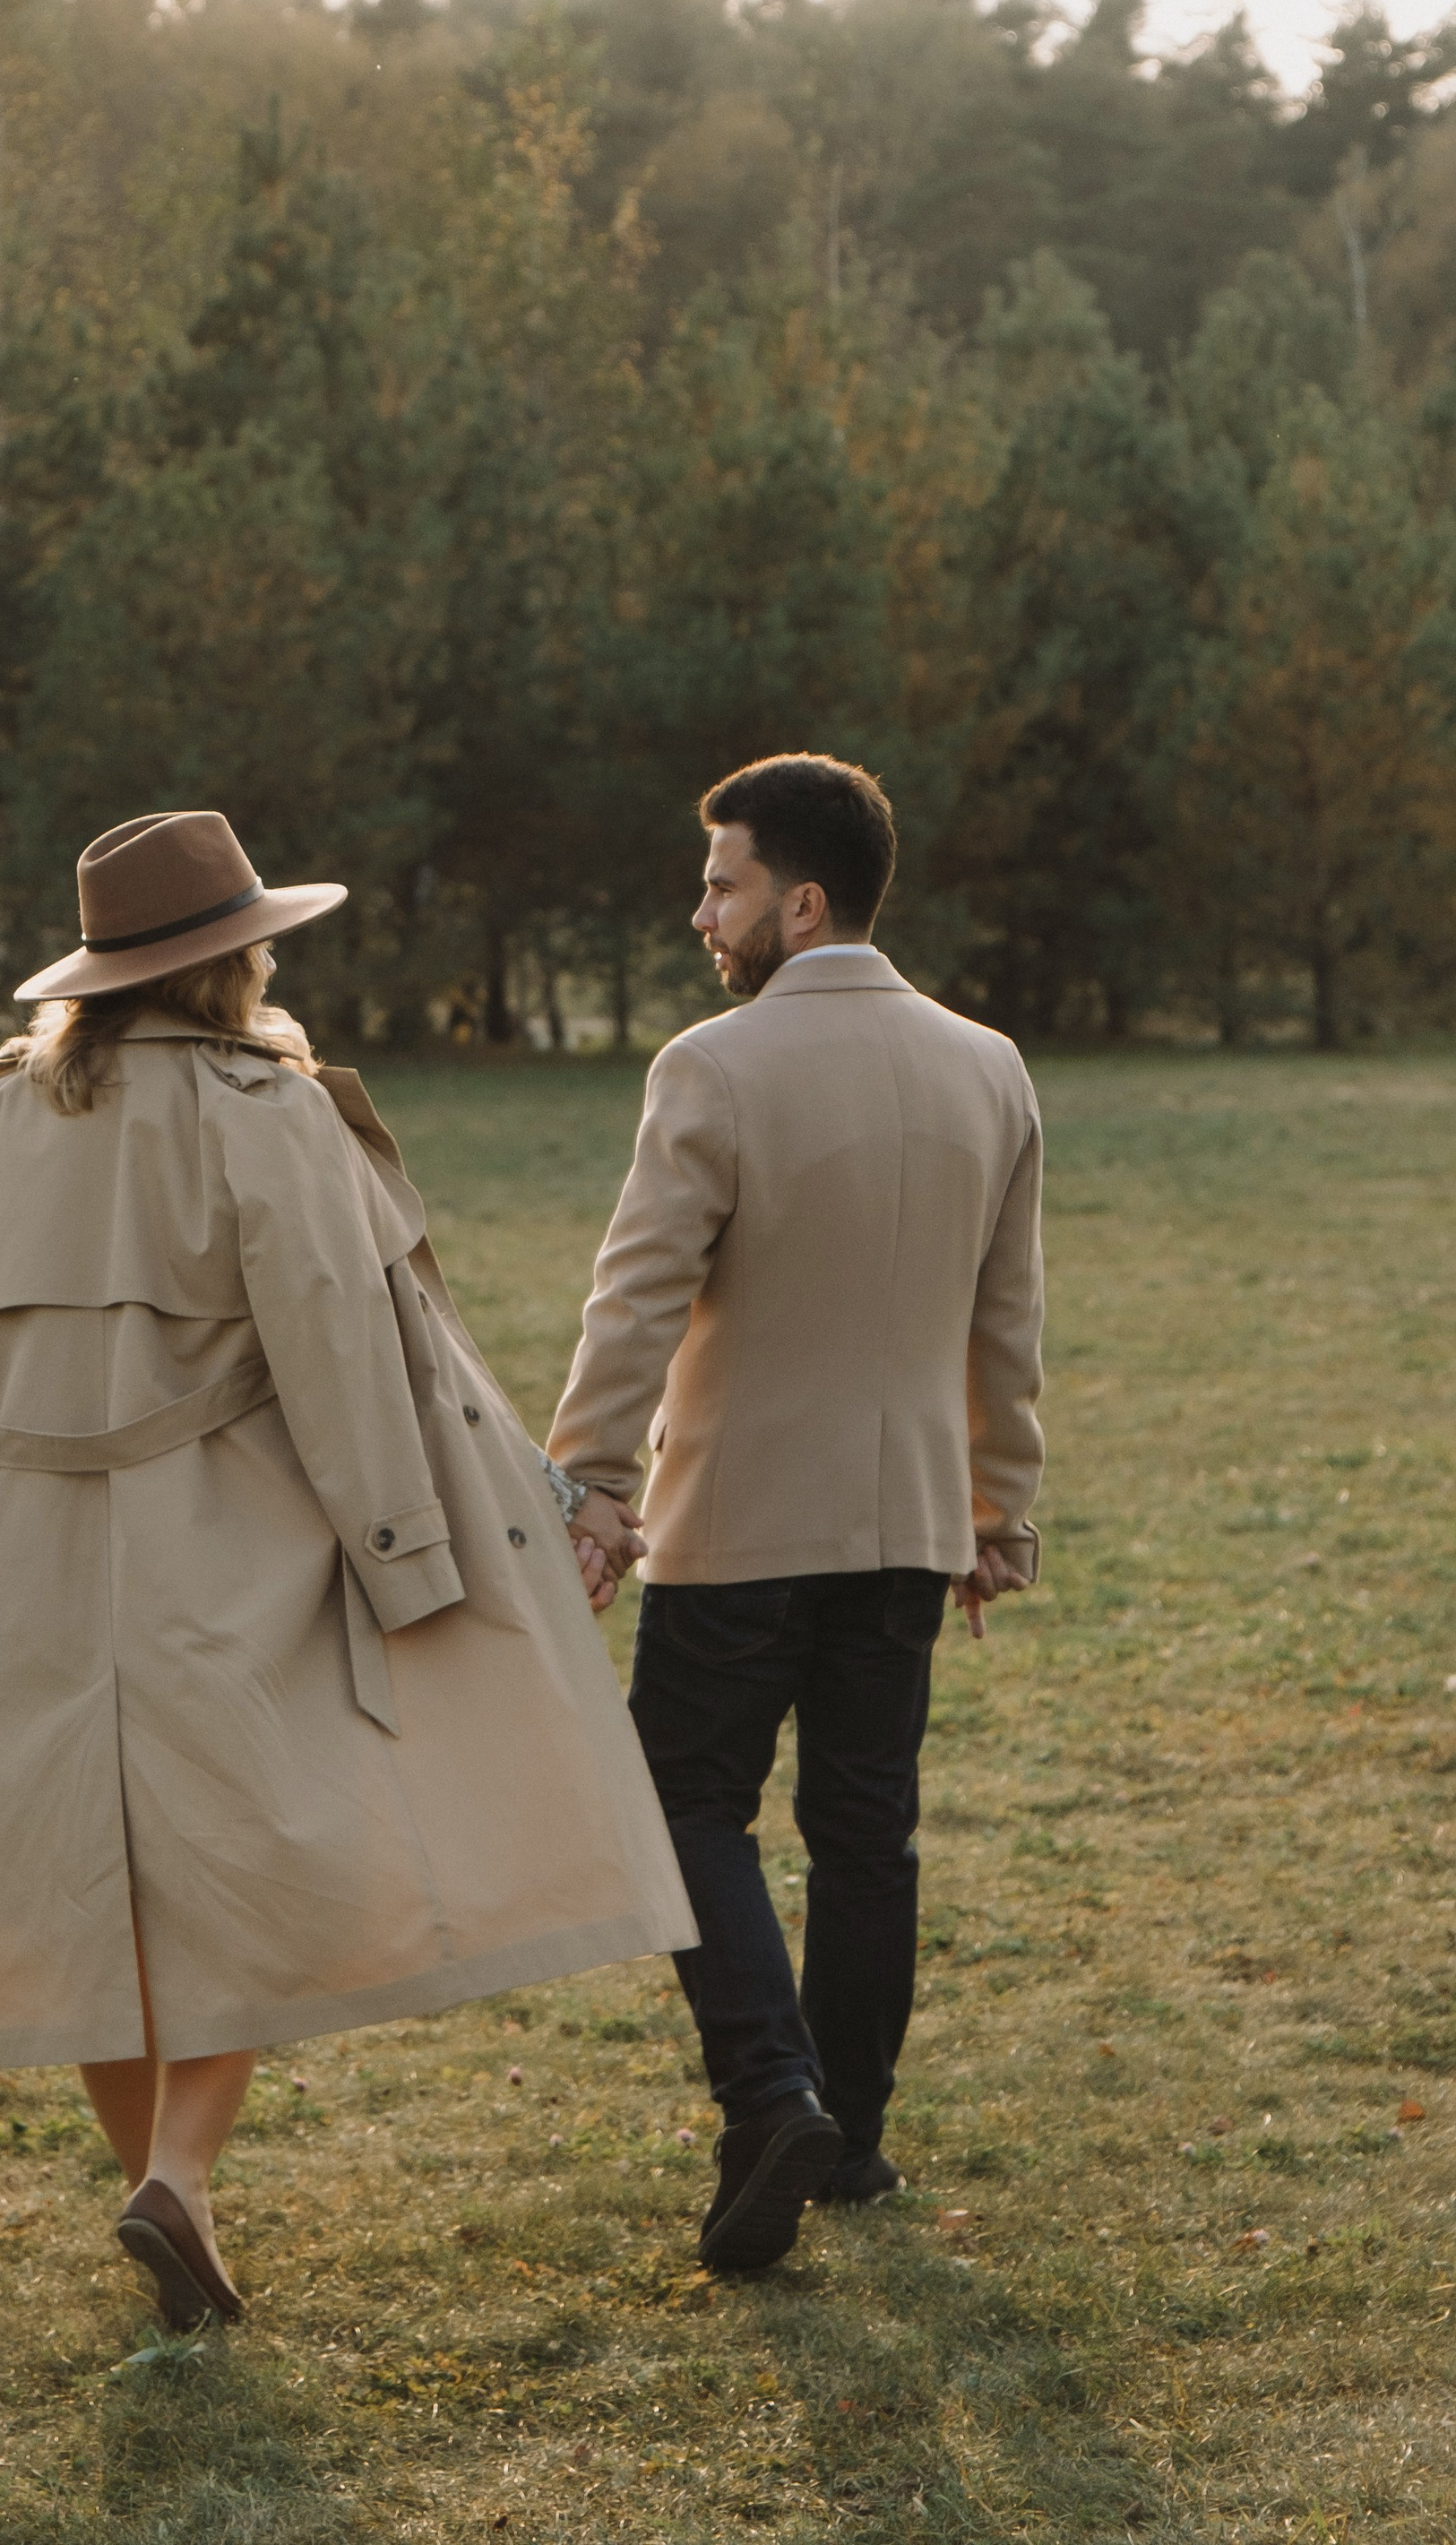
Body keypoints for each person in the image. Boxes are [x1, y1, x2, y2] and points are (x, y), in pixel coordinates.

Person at [0, 808, 692, 2330]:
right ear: (235, 962)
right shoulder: (265, 1109)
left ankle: (165, 2195)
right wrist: (409, 1559)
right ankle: (180, 2178)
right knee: (253, 1876)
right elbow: (349, 1355)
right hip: (216, 1554)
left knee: (74, 1898)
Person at [546, 753, 1044, 2274]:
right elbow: (1007, 1317)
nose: (702, 914)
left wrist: (591, 1482)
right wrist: (999, 1506)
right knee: (866, 1833)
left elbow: (637, 1296)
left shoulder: (713, 1068)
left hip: (741, 1518)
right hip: (909, 1521)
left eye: (723, 885)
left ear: (804, 902)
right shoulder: (991, 1067)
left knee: (682, 1800)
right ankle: (856, 2140)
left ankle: (772, 2096)